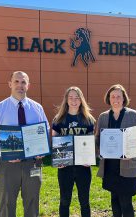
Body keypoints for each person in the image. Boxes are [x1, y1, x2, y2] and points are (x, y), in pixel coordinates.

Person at [0, 71, 49, 217]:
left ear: (28, 85)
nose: (20, 85)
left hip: (33, 164)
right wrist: (3, 152)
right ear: (10, 84)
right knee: (6, 204)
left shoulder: (37, 108)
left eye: (23, 82)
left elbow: (45, 130)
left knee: (32, 203)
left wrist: (43, 148)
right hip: (8, 165)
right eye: (17, 81)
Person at [95, 84, 136, 217]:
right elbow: (98, 139)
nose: (115, 99)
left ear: (124, 98)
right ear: (109, 98)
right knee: (114, 200)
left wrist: (131, 153)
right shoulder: (103, 117)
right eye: (113, 96)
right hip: (110, 166)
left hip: (127, 165)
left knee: (126, 202)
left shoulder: (133, 115)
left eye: (119, 96)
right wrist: (89, 147)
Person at [52, 86, 96, 217]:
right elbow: (54, 140)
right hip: (65, 166)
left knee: (85, 202)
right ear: (66, 100)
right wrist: (57, 159)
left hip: (83, 167)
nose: (74, 101)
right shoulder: (59, 119)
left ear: (81, 100)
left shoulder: (88, 119)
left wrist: (89, 158)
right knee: (65, 201)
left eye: (77, 98)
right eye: (70, 97)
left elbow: (91, 142)